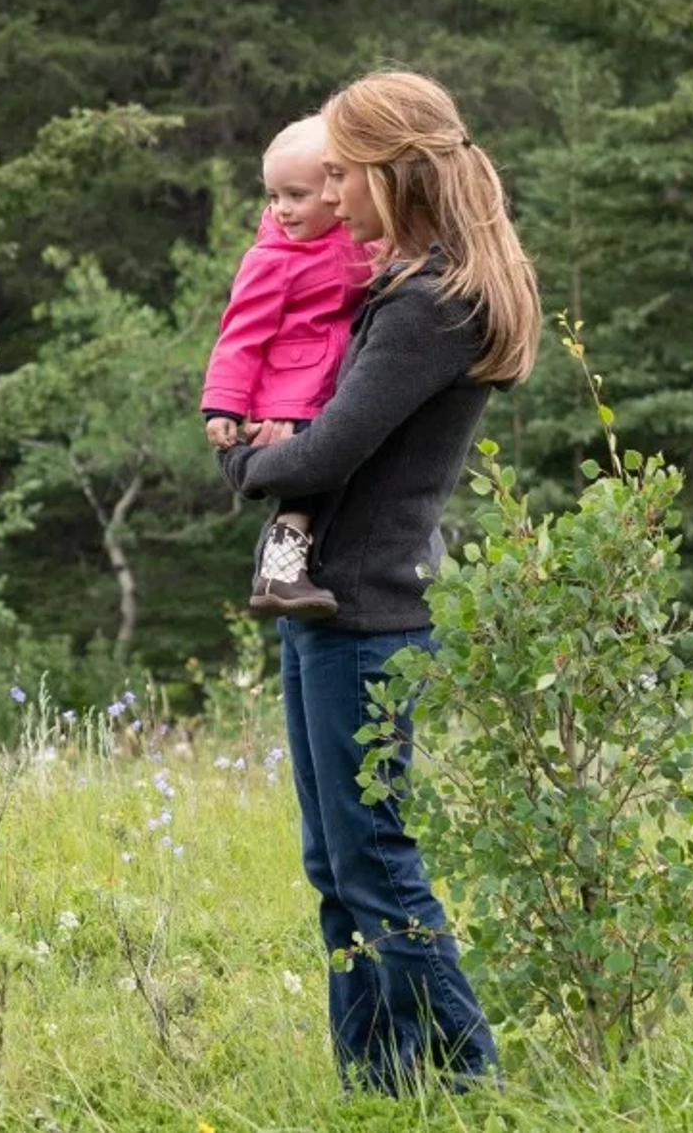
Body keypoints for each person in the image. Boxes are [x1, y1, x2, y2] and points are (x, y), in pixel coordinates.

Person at [217, 70, 541, 1092]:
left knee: (373, 858)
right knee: (336, 861)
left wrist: (243, 463)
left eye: (347, 174)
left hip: (368, 616)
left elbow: (327, 454)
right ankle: (377, 1082)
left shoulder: (431, 306)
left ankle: (467, 1074)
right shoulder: (406, 285)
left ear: (393, 173)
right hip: (332, 606)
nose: (336, 192)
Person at [201, 115, 374, 619]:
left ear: (336, 190)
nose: (282, 209)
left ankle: (291, 569)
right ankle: (279, 571)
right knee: (307, 480)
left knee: (328, 479)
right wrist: (223, 405)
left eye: (296, 195)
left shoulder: (352, 237)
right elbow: (240, 335)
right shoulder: (272, 259)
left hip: (330, 378)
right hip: (292, 390)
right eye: (274, 196)